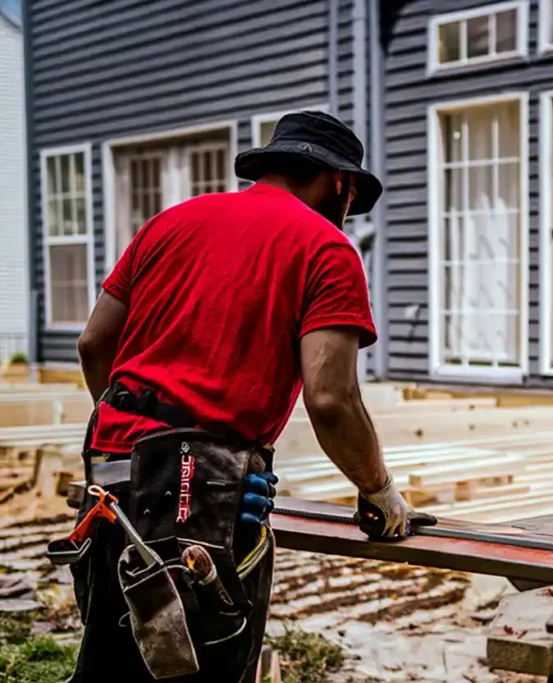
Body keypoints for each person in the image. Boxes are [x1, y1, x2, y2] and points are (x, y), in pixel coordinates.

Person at [70, 111, 435, 683]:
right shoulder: (326, 249)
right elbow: (331, 398)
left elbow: (94, 344)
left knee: (116, 661)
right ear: (339, 183)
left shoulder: (170, 223)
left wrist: (132, 440)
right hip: (205, 495)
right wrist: (379, 491)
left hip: (109, 482)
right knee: (198, 660)